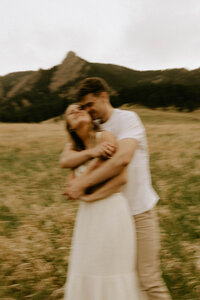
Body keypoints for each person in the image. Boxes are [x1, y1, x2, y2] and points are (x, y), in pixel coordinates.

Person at [62, 77, 172, 300]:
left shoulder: (127, 119)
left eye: (90, 104)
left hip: (138, 211)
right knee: (123, 280)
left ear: (104, 96)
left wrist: (81, 186)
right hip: (111, 218)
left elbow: (121, 160)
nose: (88, 110)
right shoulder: (95, 131)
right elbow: (68, 158)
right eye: (83, 108)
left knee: (149, 281)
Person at [62, 103, 142, 299]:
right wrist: (90, 155)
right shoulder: (73, 149)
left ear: (90, 116)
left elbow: (121, 179)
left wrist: (88, 195)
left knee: (110, 269)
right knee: (87, 266)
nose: (76, 111)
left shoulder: (104, 137)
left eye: (80, 108)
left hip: (111, 211)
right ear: (70, 126)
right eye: (71, 112)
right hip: (87, 217)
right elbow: (70, 184)